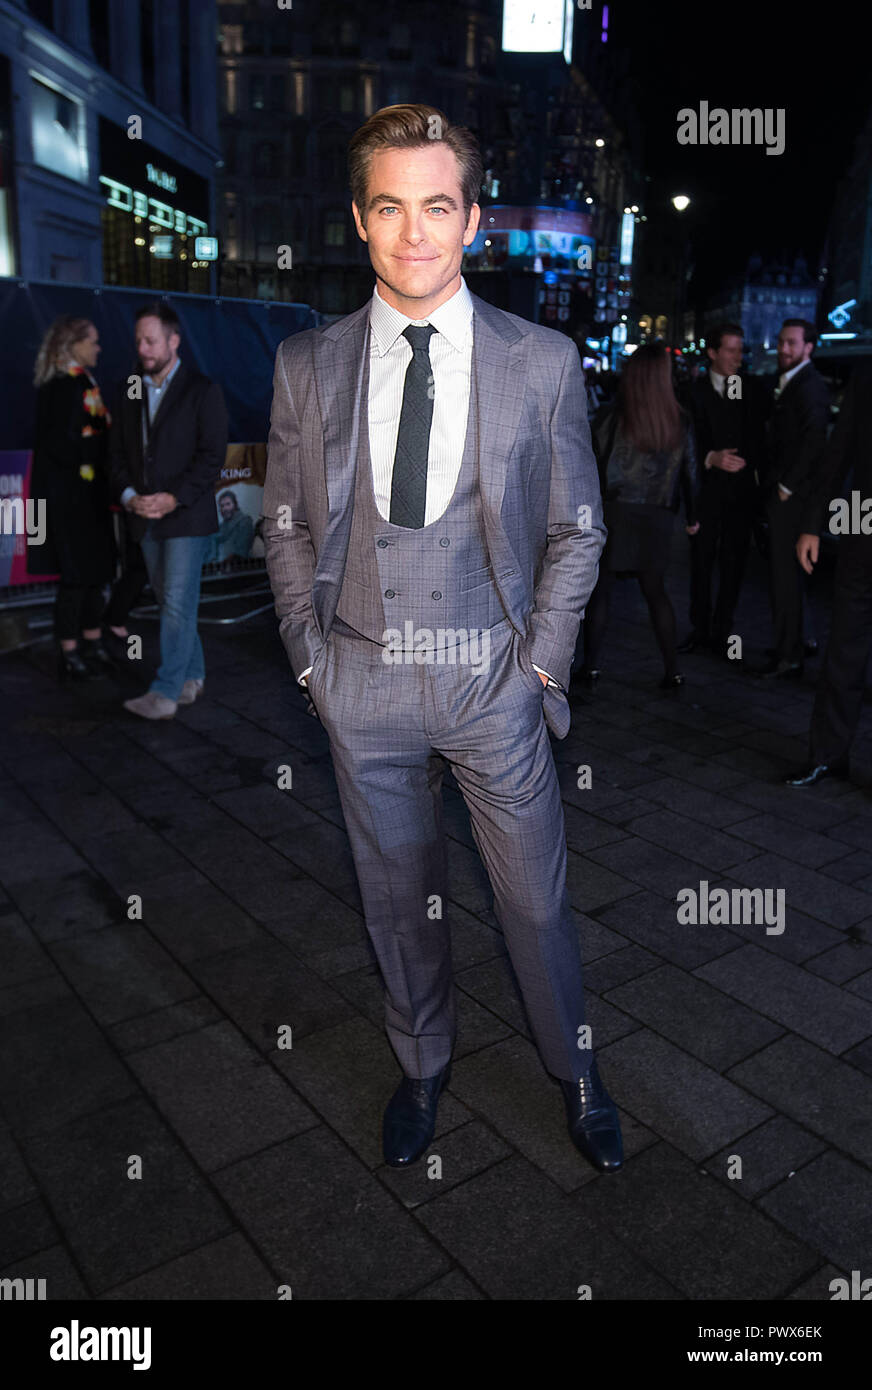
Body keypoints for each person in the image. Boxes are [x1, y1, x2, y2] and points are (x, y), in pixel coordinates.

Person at [262, 103, 622, 1174]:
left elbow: (576, 527)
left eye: (435, 206)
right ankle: (421, 1060)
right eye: (389, 207)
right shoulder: (306, 364)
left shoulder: (541, 360)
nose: (412, 231)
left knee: (534, 898)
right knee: (391, 893)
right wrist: (308, 658)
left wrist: (541, 664)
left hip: (491, 677)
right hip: (359, 673)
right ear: (360, 222)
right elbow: (282, 521)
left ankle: (574, 1064)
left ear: (471, 221)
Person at [108, 302, 228, 719]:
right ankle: (192, 676)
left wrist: (173, 497)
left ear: (174, 341)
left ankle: (165, 691)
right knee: (169, 600)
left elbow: (212, 457)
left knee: (176, 601)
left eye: (151, 340)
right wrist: (128, 496)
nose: (142, 348)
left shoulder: (201, 389)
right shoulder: (130, 389)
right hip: (142, 516)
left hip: (186, 517)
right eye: (139, 340)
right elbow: (117, 453)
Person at [577, 343, 701, 688]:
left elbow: (592, 466)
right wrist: (693, 517)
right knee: (656, 592)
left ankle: (591, 667)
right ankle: (672, 669)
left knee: (601, 593)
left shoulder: (611, 417)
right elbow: (691, 472)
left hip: (616, 513)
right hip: (658, 516)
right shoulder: (680, 420)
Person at [785, 364, 872, 786]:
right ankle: (828, 755)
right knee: (843, 653)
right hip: (861, 530)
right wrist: (811, 524)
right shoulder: (867, 373)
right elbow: (840, 449)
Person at [28, 316, 117, 680]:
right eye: (93, 341)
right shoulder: (61, 386)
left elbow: (92, 435)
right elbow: (62, 446)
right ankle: (69, 650)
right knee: (76, 576)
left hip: (91, 497)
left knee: (97, 571)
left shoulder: (84, 382)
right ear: (75, 344)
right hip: (68, 500)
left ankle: (93, 642)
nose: (98, 348)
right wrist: (93, 448)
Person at [679, 323, 767, 659]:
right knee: (701, 562)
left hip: (741, 495)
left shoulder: (752, 390)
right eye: (730, 350)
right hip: (706, 494)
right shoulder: (693, 392)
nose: (737, 357)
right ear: (713, 353)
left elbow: (762, 439)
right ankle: (700, 628)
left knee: (734, 563)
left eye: (740, 350)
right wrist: (710, 457)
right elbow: (683, 442)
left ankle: (723, 632)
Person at [758, 319, 831, 679]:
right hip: (789, 495)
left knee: (785, 579)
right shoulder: (795, 382)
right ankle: (792, 645)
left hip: (794, 499)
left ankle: (790, 655)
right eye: (782, 342)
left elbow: (815, 441)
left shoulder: (810, 386)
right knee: (785, 579)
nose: (784, 349)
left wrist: (786, 487)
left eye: (792, 343)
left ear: (808, 348)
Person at [205, 489, 255, 567]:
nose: (225, 509)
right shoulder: (220, 527)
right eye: (222, 506)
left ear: (235, 505)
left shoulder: (245, 522)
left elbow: (242, 551)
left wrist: (222, 565)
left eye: (228, 504)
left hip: (239, 567)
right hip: (218, 569)